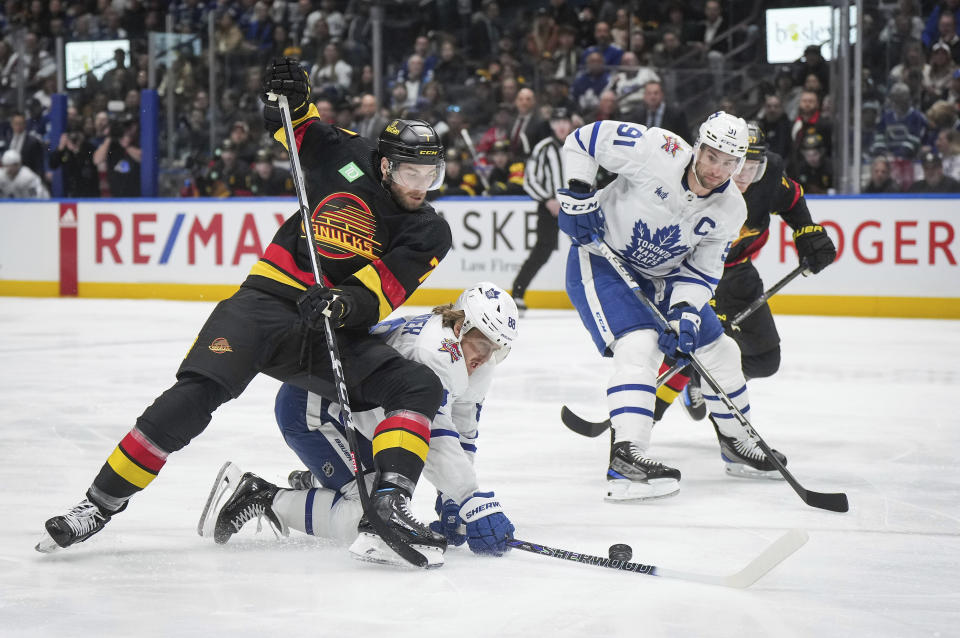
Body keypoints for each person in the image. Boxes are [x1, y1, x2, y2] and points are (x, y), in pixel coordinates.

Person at [37, 58, 454, 568]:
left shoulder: (429, 230)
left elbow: (383, 288)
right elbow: (293, 125)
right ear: (386, 164)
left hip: (328, 327)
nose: (421, 186)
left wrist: (343, 303)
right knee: (194, 395)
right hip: (263, 304)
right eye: (412, 173)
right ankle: (98, 504)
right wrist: (288, 95)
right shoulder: (346, 151)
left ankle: (389, 503)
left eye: (431, 175)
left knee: (417, 387)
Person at [557, 111, 790, 502]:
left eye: (730, 162)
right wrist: (579, 195)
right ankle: (626, 460)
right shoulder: (657, 150)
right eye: (713, 156)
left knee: (722, 351)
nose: (718, 169)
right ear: (698, 147)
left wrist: (685, 313)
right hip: (601, 259)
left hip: (664, 278)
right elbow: (583, 140)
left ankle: (738, 444)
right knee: (640, 345)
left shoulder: (732, 209)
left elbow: (701, 272)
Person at [198, 283, 519, 562]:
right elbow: (432, 435)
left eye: (496, 348)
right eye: (482, 344)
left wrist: (454, 499)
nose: (486, 357)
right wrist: (469, 498)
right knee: (369, 517)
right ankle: (259, 496)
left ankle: (317, 481)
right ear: (461, 326)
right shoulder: (434, 350)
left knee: (390, 488)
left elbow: (463, 431)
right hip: (314, 410)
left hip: (359, 415)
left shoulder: (473, 357)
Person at [651, 123, 836, 424]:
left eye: (753, 167)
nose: (744, 177)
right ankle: (646, 416)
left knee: (764, 361)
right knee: (686, 349)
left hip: (737, 274)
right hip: (690, 275)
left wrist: (806, 231)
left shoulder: (769, 179)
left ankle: (706, 382)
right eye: (739, 167)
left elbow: (791, 199)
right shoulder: (698, 177)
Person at [511, 107, 574, 313]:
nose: (561, 126)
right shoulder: (543, 148)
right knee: (542, 250)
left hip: (576, 207)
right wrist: (548, 200)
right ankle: (518, 292)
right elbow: (530, 180)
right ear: (552, 125)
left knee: (588, 250)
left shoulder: (577, 147)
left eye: (564, 121)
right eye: (557, 122)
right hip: (550, 208)